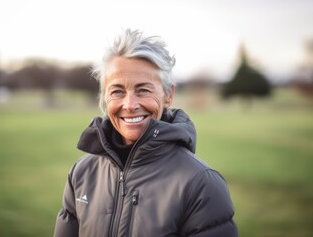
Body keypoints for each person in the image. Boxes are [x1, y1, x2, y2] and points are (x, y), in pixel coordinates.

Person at [54, 29, 238, 237]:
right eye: (117, 91)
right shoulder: (81, 174)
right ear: (105, 97)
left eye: (143, 90)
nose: (130, 105)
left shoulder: (201, 184)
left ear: (168, 95)